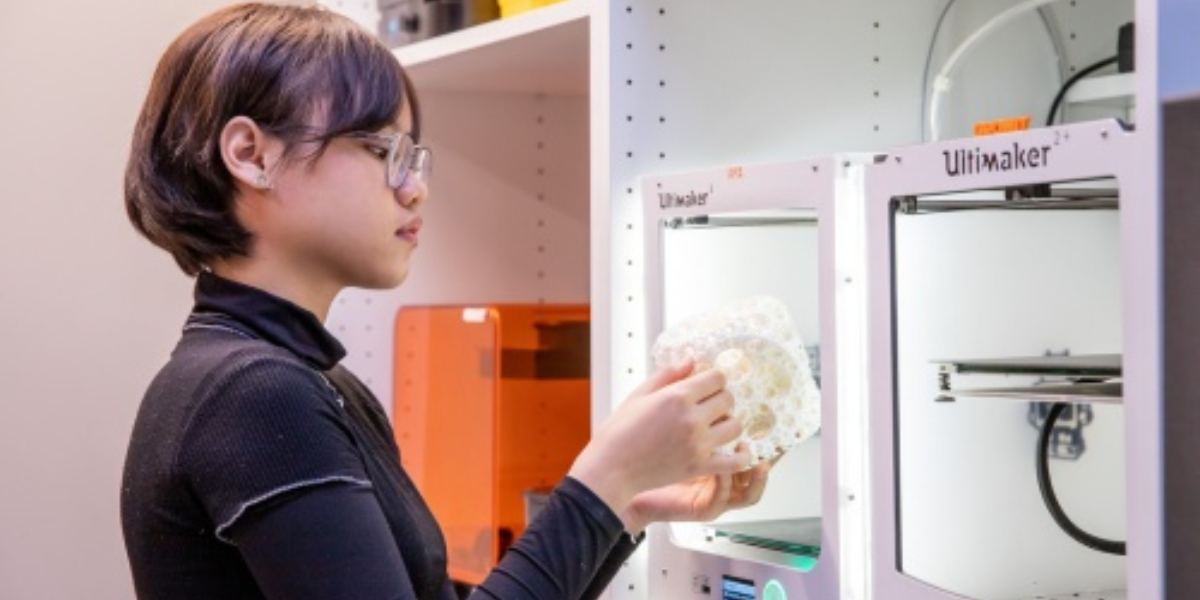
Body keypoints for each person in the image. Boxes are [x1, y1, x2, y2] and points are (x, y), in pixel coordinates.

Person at [120, 4, 773, 599]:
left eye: (415, 157)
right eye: (381, 150)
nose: (414, 190)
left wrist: (627, 500)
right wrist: (604, 480)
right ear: (250, 154)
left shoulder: (305, 382)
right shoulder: (253, 394)